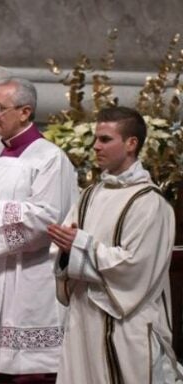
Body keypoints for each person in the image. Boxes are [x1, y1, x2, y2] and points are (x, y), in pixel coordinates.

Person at [0, 77, 78, 380]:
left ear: (24, 112)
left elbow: (49, 218)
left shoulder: (49, 158)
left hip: (29, 268)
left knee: (28, 368)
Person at [49, 107, 183, 383]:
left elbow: (136, 267)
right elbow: (67, 253)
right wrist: (65, 251)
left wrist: (80, 246)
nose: (95, 146)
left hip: (124, 323)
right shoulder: (87, 196)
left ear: (132, 144)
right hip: (83, 317)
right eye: (95, 139)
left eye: (105, 139)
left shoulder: (150, 203)